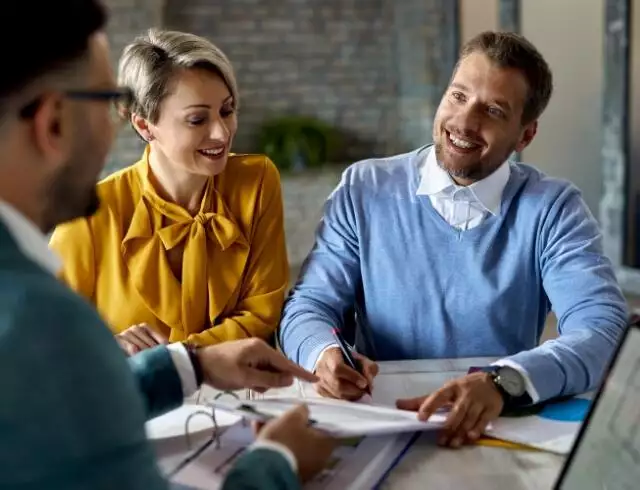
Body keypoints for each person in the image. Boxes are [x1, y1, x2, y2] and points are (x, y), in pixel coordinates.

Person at [0, 2, 334, 489]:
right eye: (106, 100)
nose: (220, 132)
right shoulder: (45, 318)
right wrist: (279, 461)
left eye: (227, 110)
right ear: (53, 122)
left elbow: (65, 413)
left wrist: (189, 364)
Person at [279, 31, 629, 448]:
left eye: (494, 111)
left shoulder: (553, 209)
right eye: (458, 96)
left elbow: (603, 332)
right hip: (375, 420)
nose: (465, 122)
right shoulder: (364, 188)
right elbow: (308, 305)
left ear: (525, 135)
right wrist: (322, 354)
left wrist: (505, 383)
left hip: (490, 428)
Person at [49, 28, 288, 356]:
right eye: (197, 119)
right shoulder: (86, 215)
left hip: (240, 398)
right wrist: (109, 349)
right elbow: (49, 342)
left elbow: (263, 312)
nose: (221, 132)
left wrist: (174, 359)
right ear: (145, 126)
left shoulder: (257, 181)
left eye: (227, 111)